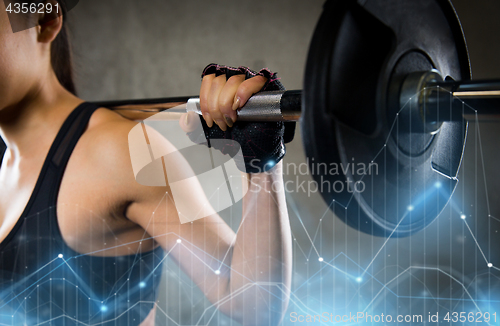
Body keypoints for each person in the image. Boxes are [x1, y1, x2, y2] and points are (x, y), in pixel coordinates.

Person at [0, 1, 292, 325]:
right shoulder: (6, 158)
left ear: (44, 19)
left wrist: (260, 161)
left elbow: (253, 305)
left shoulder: (114, 152)